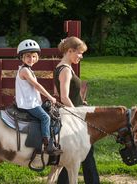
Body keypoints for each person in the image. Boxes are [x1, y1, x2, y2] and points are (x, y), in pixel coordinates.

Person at [53, 36, 100, 184]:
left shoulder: (61, 67)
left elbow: (60, 94)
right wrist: (78, 115)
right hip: (73, 117)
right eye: (79, 53)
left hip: (73, 113)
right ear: (69, 51)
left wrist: (81, 102)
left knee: (74, 156)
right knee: (87, 154)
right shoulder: (65, 70)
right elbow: (64, 97)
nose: (81, 56)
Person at [15, 39, 63, 155]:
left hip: (32, 102)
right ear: (22, 57)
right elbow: (36, 85)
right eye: (27, 56)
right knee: (45, 117)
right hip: (28, 103)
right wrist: (50, 97)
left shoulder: (29, 70)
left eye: (34, 56)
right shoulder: (25, 71)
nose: (31, 59)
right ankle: (47, 145)